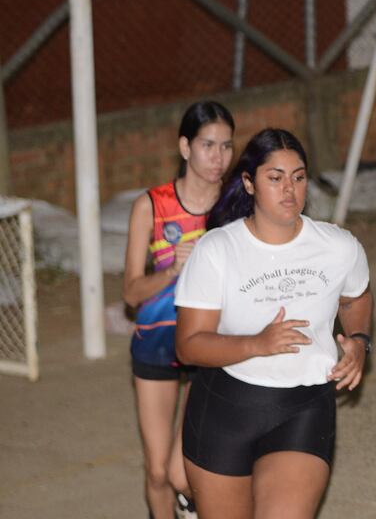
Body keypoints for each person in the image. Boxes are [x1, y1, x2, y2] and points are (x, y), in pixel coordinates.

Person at [175, 128, 373, 519]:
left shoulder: (339, 247)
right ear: (249, 183)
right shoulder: (217, 250)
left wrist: (360, 341)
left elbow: (357, 297)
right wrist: (256, 344)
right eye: (275, 177)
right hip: (225, 409)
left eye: (298, 177)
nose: (289, 189)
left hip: (304, 407)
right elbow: (189, 345)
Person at [123, 100, 234, 519]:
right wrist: (173, 269)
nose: (217, 157)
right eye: (208, 145)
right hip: (155, 343)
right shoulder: (150, 206)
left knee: (183, 473)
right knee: (156, 472)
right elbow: (131, 293)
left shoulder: (236, 206)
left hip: (209, 345)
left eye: (226, 146)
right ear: (185, 147)